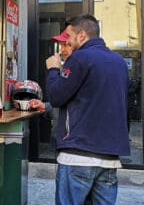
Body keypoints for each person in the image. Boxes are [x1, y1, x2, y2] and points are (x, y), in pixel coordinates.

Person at [44, 14, 130, 205]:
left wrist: (53, 70)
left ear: (82, 35)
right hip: (109, 158)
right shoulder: (119, 62)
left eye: (69, 36)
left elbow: (56, 96)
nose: (66, 41)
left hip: (78, 156)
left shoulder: (80, 58)